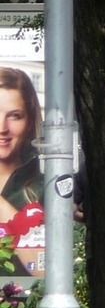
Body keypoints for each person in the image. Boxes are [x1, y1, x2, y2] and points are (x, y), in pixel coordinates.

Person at [0, 67, 44, 273]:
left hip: (22, 293)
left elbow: (43, 270)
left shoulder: (43, 184)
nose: (2, 128)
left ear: (29, 121)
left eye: (14, 116)